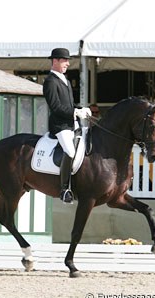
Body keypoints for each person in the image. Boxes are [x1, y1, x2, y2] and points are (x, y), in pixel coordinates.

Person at [43, 48, 90, 203]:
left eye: (67, 60)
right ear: (55, 61)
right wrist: (75, 112)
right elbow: (56, 107)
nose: (68, 63)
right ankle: (64, 190)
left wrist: (80, 108)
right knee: (69, 151)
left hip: (72, 124)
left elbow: (68, 104)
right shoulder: (50, 82)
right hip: (60, 126)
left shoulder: (66, 81)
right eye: (64, 60)